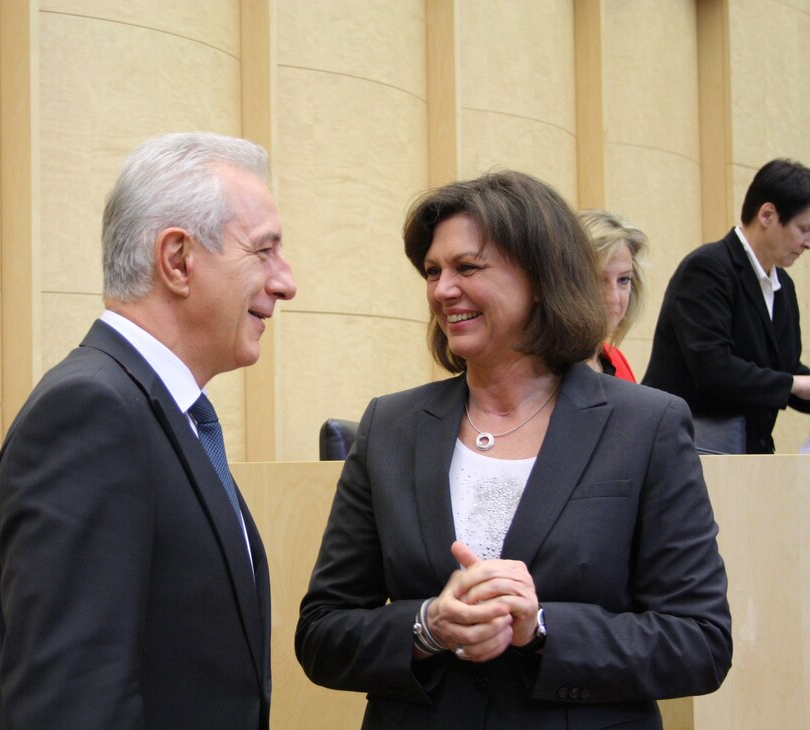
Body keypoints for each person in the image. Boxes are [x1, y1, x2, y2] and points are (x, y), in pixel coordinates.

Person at [295, 171, 731, 729]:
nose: (441, 289)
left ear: (543, 278)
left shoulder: (646, 426)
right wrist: (428, 626)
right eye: (433, 271)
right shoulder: (391, 426)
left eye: (467, 267)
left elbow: (700, 643)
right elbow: (322, 633)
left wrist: (541, 627)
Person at [0, 132, 296, 728]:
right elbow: (70, 705)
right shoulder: (88, 415)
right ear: (178, 260)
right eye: (264, 251)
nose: (286, 281)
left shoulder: (159, 413)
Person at [643, 158, 810, 454]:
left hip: (749, 446)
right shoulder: (708, 268)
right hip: (692, 447)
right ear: (768, 215)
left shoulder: (783, 285)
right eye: (803, 229)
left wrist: (797, 382)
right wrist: (792, 384)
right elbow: (712, 367)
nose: (808, 243)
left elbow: (783, 367)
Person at [578, 209, 649, 381]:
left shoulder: (617, 360)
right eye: (597, 279)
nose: (613, 298)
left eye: (624, 280)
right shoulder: (543, 373)